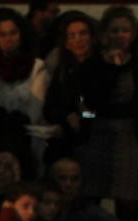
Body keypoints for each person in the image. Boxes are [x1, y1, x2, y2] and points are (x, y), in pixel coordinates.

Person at [77, 7, 138, 221]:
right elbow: (91, 102)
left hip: (130, 138)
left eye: (125, 30)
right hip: (95, 137)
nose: (120, 35)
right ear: (104, 34)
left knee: (128, 204)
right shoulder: (92, 65)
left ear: (133, 34)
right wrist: (112, 69)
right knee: (90, 200)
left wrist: (111, 110)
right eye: (115, 30)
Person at [0, 7, 48, 152]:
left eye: (13, 33)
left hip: (26, 141)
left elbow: (35, 113)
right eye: (2, 34)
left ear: (21, 35)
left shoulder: (37, 67)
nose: (8, 39)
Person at [40, 10, 96, 164]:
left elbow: (100, 109)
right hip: (68, 139)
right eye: (72, 35)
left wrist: (85, 116)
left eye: (83, 33)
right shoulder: (63, 70)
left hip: (97, 138)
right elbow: (49, 108)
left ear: (92, 38)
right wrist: (67, 116)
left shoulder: (102, 69)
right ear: (66, 43)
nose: (78, 39)